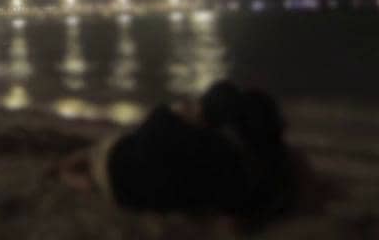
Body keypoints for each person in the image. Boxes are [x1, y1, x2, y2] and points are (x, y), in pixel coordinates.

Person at [59, 80, 300, 228]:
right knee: (106, 159)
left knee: (98, 154)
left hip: (118, 177)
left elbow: (148, 133)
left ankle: (67, 171)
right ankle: (77, 174)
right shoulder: (250, 166)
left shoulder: (170, 123)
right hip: (137, 192)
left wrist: (178, 115)